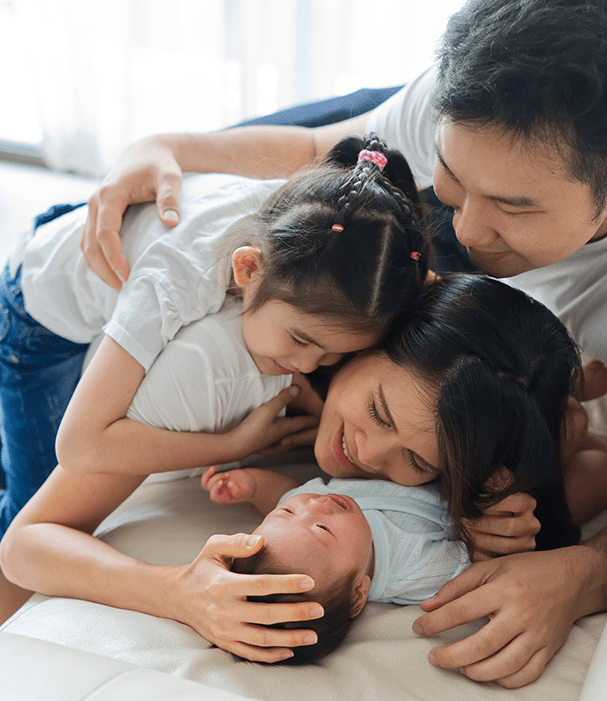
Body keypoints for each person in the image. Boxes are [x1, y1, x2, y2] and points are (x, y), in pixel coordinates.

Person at [75, 0, 607, 686]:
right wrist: (167, 146)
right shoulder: (469, 107)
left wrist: (582, 574)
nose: (472, 234)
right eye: (454, 184)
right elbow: (323, 153)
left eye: (515, 206)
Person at [1, 274, 604, 662]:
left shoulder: (471, 406)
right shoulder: (216, 371)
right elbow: (24, 546)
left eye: (417, 462)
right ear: (379, 334)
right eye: (377, 411)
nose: (368, 457)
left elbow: (581, 459)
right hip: (47, 326)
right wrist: (179, 592)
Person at [0, 133, 436, 621]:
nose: (311, 367)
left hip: (120, 250)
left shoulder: (335, 236)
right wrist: (230, 444)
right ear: (248, 268)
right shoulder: (173, 282)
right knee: (25, 502)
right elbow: (78, 445)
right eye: (301, 341)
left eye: (337, 354)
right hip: (38, 311)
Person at [201, 466, 472, 664]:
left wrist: (255, 487)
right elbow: (480, 555)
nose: (316, 504)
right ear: (357, 594)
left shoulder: (308, 513)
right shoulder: (414, 567)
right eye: (323, 529)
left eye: (286, 512)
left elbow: (286, 493)